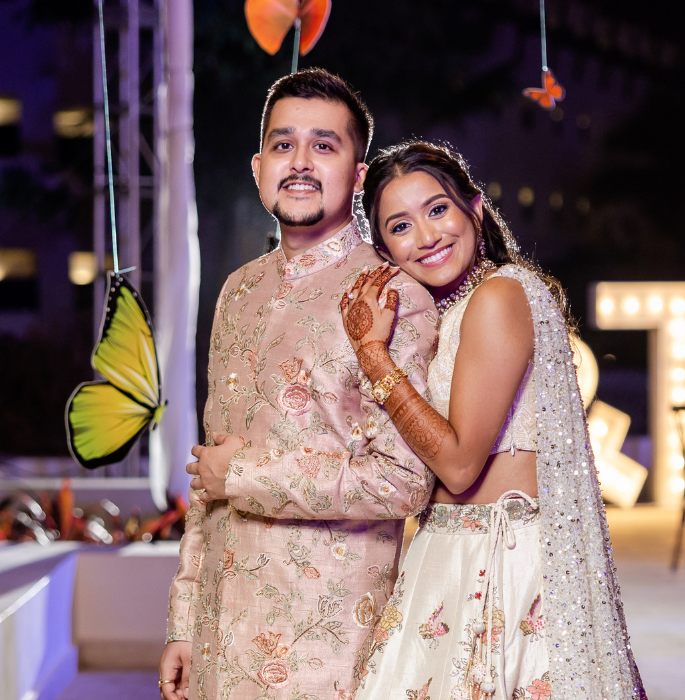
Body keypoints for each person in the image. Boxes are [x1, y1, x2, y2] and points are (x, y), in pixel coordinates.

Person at [159, 70, 440, 700]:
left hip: (328, 652)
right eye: (284, 145)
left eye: (324, 145)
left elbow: (402, 481)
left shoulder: (394, 298)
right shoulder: (238, 291)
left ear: (359, 175)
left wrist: (246, 473)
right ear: (259, 166)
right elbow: (209, 475)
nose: (301, 163)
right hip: (217, 645)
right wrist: (183, 623)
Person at [341, 141, 646, 700]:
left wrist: (373, 355)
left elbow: (458, 466)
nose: (428, 236)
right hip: (457, 554)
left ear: (474, 210)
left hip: (500, 568)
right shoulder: (459, 307)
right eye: (401, 226)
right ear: (383, 249)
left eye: (438, 210)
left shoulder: (497, 296)